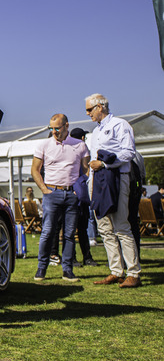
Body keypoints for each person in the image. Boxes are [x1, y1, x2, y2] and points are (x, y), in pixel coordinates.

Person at [85, 93, 142, 288]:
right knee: (104, 227)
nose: (88, 114)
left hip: (117, 178)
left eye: (89, 110)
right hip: (98, 181)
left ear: (100, 107)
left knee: (121, 225)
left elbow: (128, 152)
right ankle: (116, 270)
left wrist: (104, 164)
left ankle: (133, 271)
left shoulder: (120, 125)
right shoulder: (95, 132)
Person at [31, 113, 89, 283]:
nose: (54, 131)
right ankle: (41, 268)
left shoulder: (80, 145)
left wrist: (80, 188)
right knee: (47, 232)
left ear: (66, 126)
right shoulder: (43, 145)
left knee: (70, 234)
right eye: (51, 128)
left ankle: (67, 270)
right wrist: (44, 189)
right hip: (51, 193)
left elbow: (85, 169)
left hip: (71, 194)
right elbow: (35, 170)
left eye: (57, 128)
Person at [69, 128, 98, 267]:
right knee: (77, 230)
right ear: (81, 138)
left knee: (77, 230)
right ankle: (77, 258)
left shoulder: (77, 153)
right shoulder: (76, 154)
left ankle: (83, 257)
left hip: (81, 198)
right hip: (76, 197)